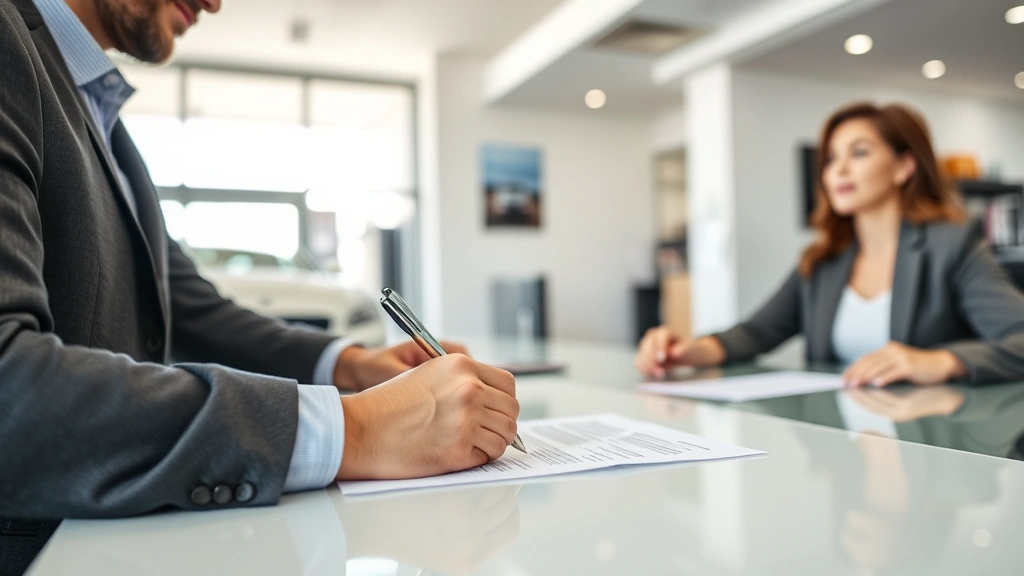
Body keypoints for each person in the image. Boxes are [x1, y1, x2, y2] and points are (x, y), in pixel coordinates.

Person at [0, 0, 520, 569]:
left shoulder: (103, 119)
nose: (215, 3)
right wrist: (356, 428)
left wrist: (352, 365)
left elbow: (192, 308)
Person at [636, 102, 1024, 387]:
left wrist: (942, 361)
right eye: (830, 159)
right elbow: (757, 333)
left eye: (859, 153)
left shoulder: (953, 247)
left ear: (904, 167)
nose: (838, 170)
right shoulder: (822, 261)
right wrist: (689, 351)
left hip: (934, 446)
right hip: (841, 449)